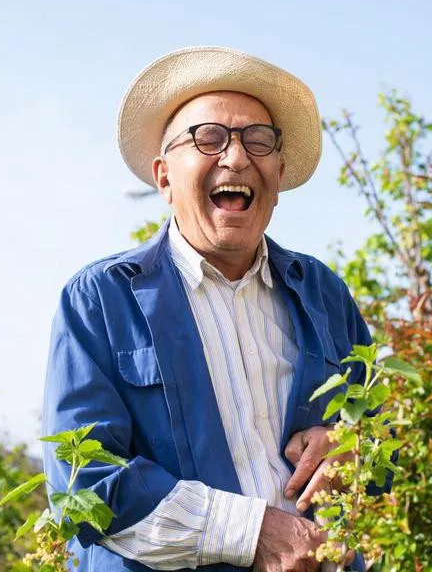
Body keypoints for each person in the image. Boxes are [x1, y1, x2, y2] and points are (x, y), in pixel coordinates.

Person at [42, 46, 372, 572]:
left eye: (257, 140)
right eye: (208, 138)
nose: (237, 157)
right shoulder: (100, 298)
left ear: (280, 174)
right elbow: (86, 485)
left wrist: (354, 447)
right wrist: (253, 531)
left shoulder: (325, 294)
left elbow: (385, 440)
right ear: (164, 177)